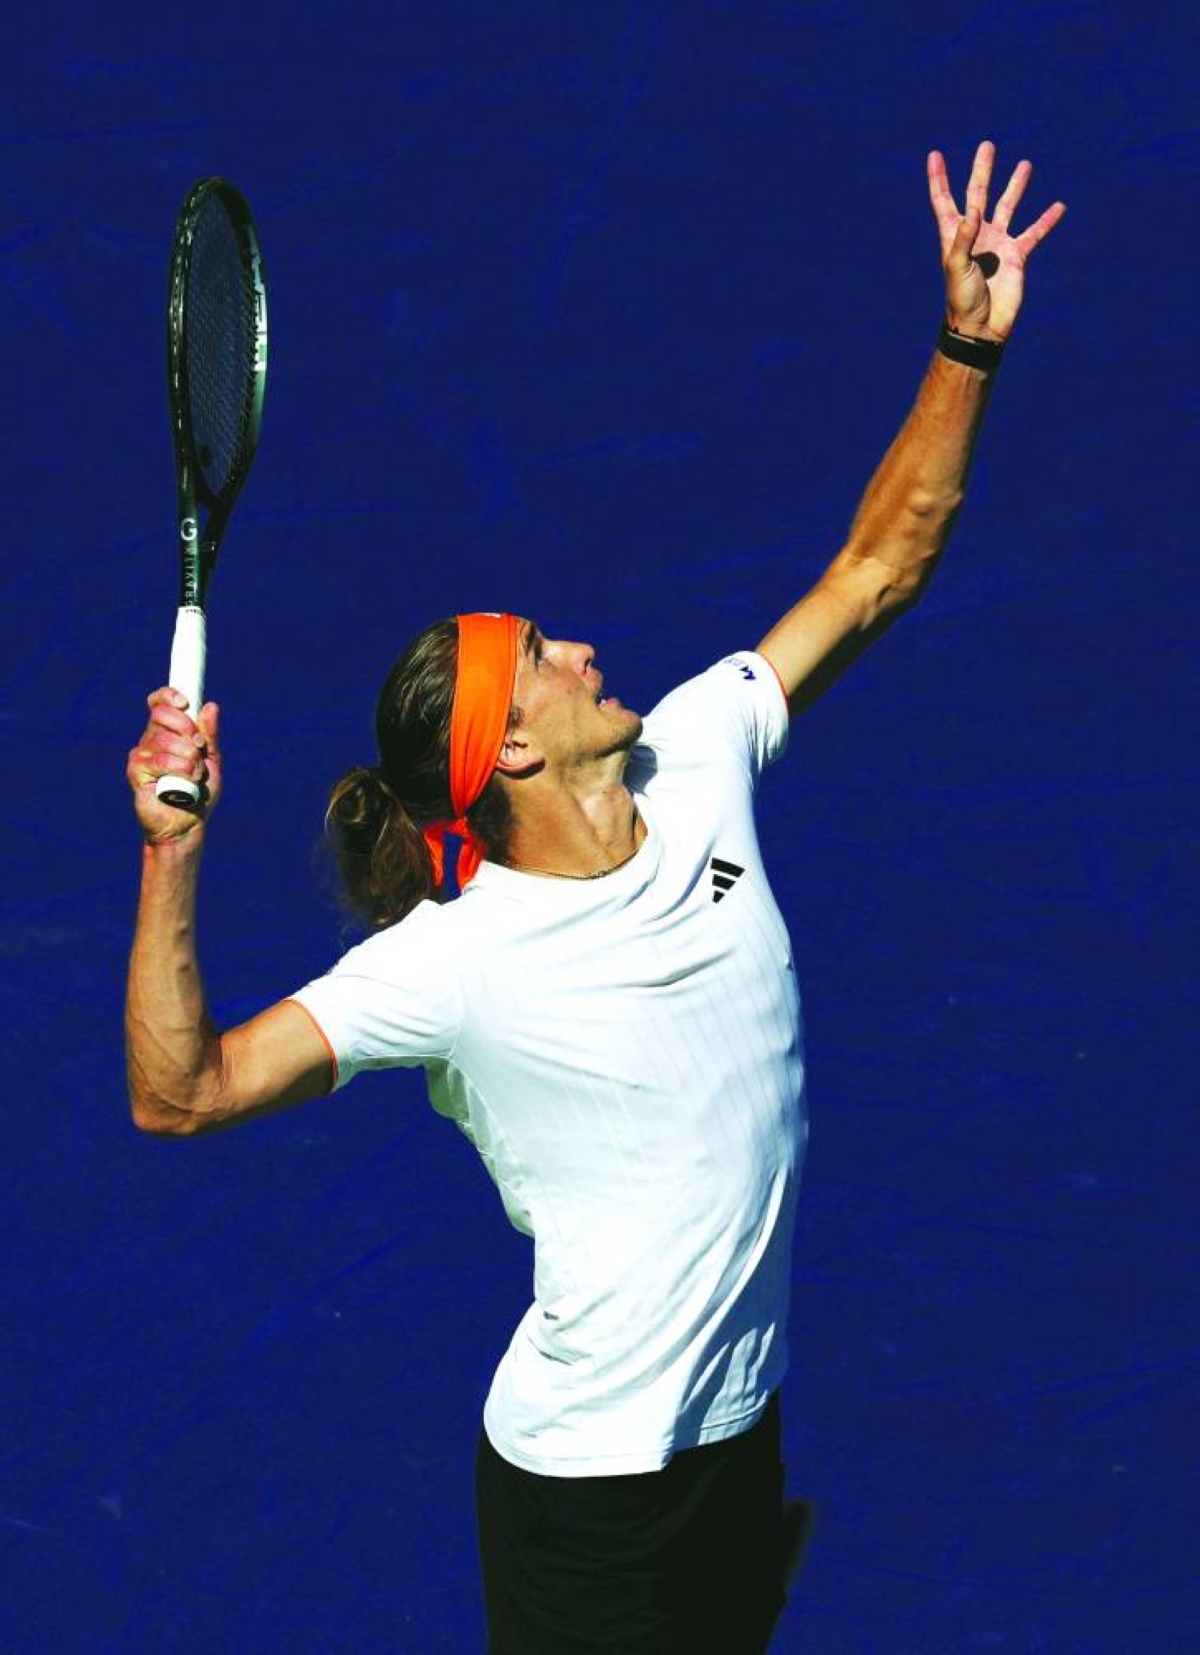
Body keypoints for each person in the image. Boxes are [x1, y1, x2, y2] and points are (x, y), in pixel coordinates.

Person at [125, 142, 1065, 1652]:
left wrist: (967, 340)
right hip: (591, 1504)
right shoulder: (452, 962)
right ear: (507, 745)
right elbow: (181, 1094)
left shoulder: (699, 752)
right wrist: (174, 860)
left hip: (735, 1432)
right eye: (546, 654)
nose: (582, 652)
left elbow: (883, 563)